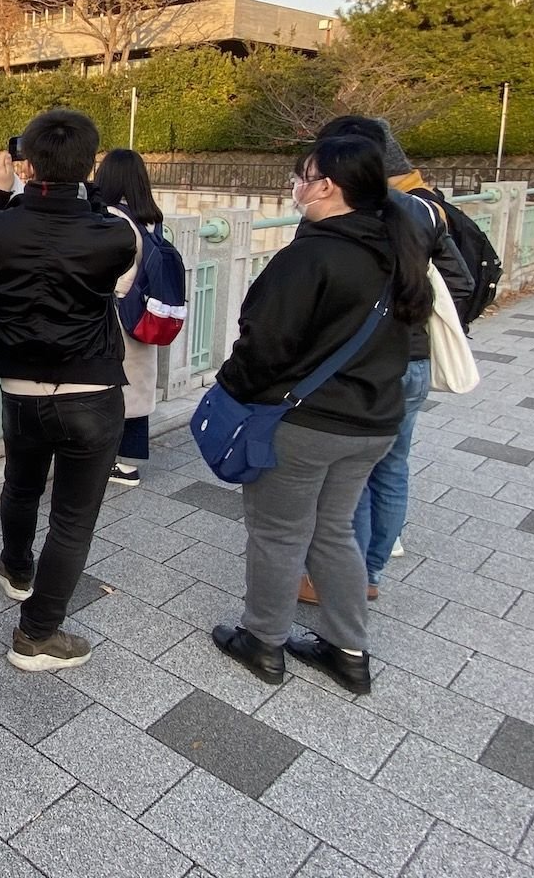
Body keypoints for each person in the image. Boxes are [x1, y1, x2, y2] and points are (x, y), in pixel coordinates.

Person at [211, 134, 431, 695]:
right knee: (333, 531)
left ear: (326, 186)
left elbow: (263, 342)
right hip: (374, 421)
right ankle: (347, 649)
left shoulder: (311, 255)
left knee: (279, 533)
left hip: (308, 424)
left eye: (301, 177)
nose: (295, 186)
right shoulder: (397, 249)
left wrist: (234, 391)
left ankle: (263, 641)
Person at [0, 109, 136, 672]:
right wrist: (86, 193)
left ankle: (16, 567)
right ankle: (37, 634)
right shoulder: (114, 233)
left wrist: (0, 193)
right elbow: (120, 273)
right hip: (93, 390)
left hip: (20, 387)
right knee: (73, 520)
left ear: (26, 163)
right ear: (90, 166)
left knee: (21, 483)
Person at [296, 116, 473, 603]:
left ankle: (339, 583)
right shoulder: (423, 211)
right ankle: (370, 574)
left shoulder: (334, 212)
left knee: (348, 475)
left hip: (355, 364)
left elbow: (307, 292)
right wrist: (409, 323)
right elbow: (460, 284)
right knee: (392, 466)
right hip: (412, 362)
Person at [93, 148, 165, 487]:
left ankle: (116, 463)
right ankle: (129, 462)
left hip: (118, 314)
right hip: (144, 313)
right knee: (137, 386)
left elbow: (113, 271)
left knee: (113, 387)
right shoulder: (150, 217)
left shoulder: (112, 217)